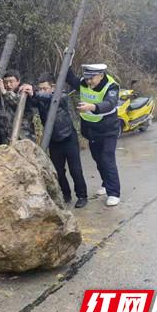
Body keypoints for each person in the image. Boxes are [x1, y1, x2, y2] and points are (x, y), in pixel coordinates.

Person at [65, 63, 121, 207]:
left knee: (107, 158)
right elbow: (70, 78)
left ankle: (114, 193)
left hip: (108, 130)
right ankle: (105, 183)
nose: (89, 82)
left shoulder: (111, 86)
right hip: (92, 130)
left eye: (92, 79)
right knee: (98, 158)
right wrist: (68, 61)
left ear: (101, 75)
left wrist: (92, 107)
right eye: (87, 78)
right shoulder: (84, 83)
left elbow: (109, 103)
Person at [33, 73, 88, 208]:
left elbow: (51, 99)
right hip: (53, 139)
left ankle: (82, 195)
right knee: (58, 171)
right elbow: (32, 99)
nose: (42, 91)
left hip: (68, 137)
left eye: (44, 88)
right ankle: (66, 195)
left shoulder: (62, 96)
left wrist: (34, 93)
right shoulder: (41, 98)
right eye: (40, 88)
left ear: (53, 87)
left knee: (75, 169)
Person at [0, 69, 37, 143]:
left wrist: (4, 92)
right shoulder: (3, 93)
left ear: (18, 81)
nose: (8, 85)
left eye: (11, 82)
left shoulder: (24, 91)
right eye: (6, 82)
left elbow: (17, 103)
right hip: (7, 135)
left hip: (23, 136)